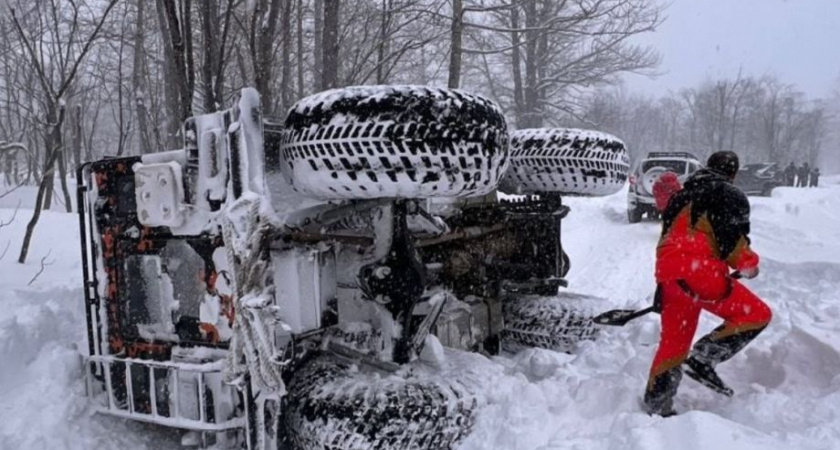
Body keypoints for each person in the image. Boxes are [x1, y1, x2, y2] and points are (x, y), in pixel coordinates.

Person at [644, 151, 772, 417]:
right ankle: (703, 358)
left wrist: (665, 286)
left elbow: (669, 238)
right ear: (734, 173)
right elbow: (732, 244)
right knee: (756, 315)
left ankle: (657, 405)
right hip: (700, 273)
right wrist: (749, 265)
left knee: (673, 343)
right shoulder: (728, 194)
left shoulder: (680, 196)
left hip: (668, 275)